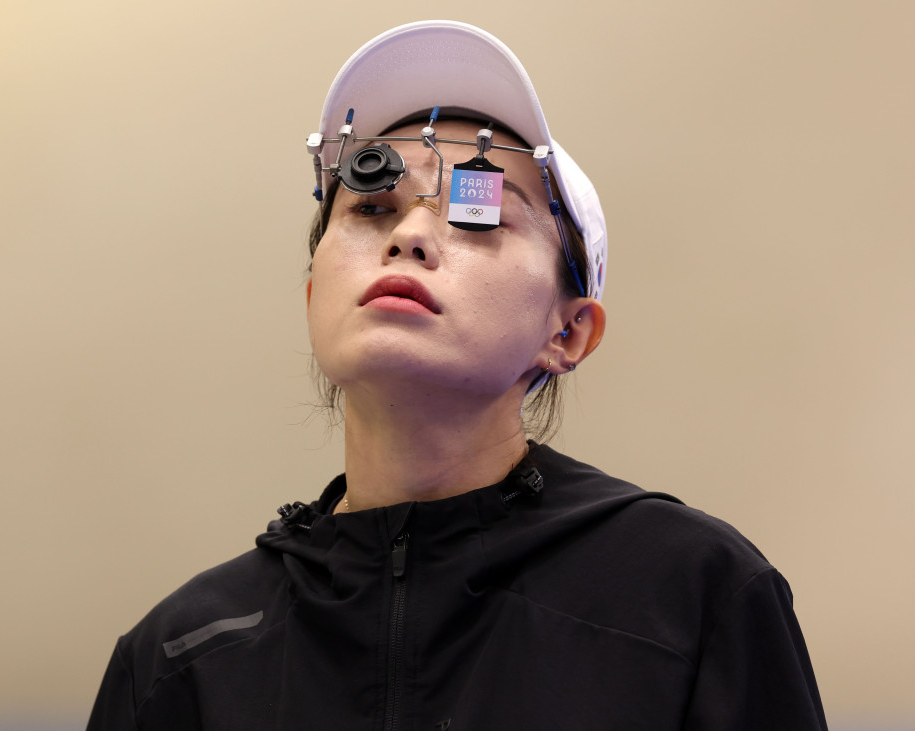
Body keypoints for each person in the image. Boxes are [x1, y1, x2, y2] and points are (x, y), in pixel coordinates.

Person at [87, 20, 826, 730]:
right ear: (314, 295)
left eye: (478, 213)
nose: (409, 234)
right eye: (372, 205)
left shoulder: (692, 597)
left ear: (568, 330)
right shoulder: (179, 660)